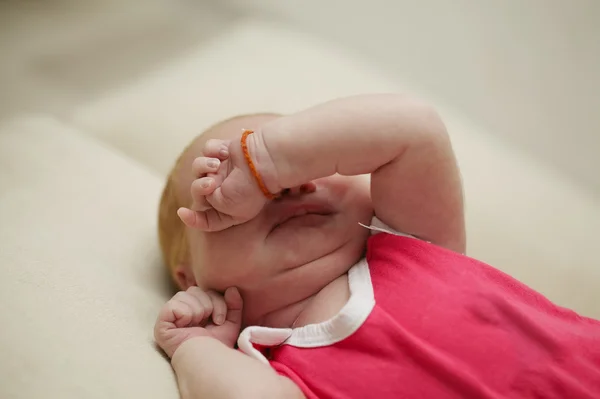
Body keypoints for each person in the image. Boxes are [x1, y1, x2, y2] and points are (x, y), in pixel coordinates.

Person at [154, 94, 600, 399]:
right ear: (190, 276)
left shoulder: (409, 242)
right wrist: (195, 346)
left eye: (303, 162)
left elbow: (413, 129)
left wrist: (271, 159)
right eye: (216, 186)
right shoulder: (269, 368)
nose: (284, 188)